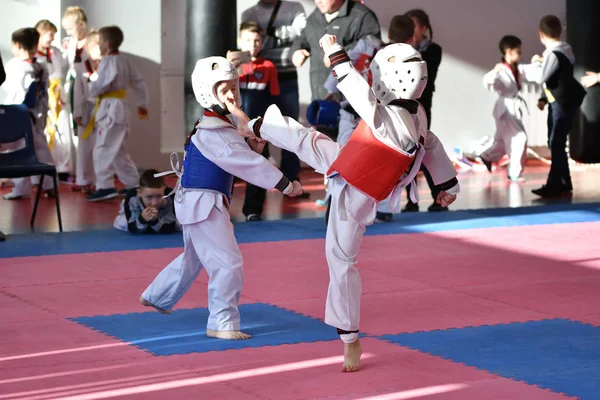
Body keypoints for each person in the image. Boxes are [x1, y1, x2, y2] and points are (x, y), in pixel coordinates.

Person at [249, 35, 459, 371]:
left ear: (392, 81)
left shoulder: (389, 119)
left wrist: (335, 53)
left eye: (377, 76)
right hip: (348, 164)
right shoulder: (415, 112)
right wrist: (447, 184)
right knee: (310, 140)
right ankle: (259, 125)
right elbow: (431, 145)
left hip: (356, 194)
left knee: (341, 260)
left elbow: (358, 93)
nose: (374, 83)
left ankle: (350, 338)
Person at [140, 56, 303, 340]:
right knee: (228, 263)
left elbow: (243, 154)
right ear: (206, 91)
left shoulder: (218, 125)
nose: (230, 94)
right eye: (222, 89)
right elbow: (247, 165)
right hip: (203, 205)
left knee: (193, 258)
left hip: (197, 203)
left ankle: (157, 295)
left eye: (233, 87)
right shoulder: (215, 131)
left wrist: (252, 142)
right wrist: (285, 184)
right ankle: (222, 322)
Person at [241, 0, 307, 190]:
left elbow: (301, 30)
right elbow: (246, 38)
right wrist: (285, 31)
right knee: (257, 129)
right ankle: (261, 182)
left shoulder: (295, 8)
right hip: (257, 78)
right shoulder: (249, 13)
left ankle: (292, 180)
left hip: (286, 75)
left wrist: (271, 32)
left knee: (290, 128)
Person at [84, 25, 149, 202]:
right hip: (120, 107)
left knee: (103, 148)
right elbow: (139, 81)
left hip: (111, 109)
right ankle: (133, 184)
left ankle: (104, 186)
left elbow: (101, 85)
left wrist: (91, 84)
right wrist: (143, 102)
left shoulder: (108, 61)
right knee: (118, 151)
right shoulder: (124, 60)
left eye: (99, 42)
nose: (98, 46)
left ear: (106, 43)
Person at [228, 21, 280, 221]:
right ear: (240, 40)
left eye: (257, 40)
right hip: (233, 126)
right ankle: (222, 206)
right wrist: (231, 69)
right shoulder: (229, 65)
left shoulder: (268, 66)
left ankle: (253, 210)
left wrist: (268, 125)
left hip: (257, 127)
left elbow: (273, 97)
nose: (253, 44)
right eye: (248, 40)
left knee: (259, 165)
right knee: (228, 166)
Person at [531, 15, 586, 198]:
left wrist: (536, 63)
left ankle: (555, 184)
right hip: (558, 101)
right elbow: (557, 79)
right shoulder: (564, 49)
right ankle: (563, 181)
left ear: (541, 34)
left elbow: (541, 77)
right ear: (560, 31)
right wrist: (544, 99)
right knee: (556, 142)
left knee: (556, 142)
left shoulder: (554, 53)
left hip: (562, 103)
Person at [401, 9, 446, 213]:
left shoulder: (433, 50)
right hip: (403, 105)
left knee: (423, 150)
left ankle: (439, 195)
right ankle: (412, 200)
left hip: (422, 107)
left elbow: (423, 71)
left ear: (424, 28)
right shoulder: (402, 50)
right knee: (407, 154)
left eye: (414, 25)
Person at [2, 28, 55, 200]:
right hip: (36, 114)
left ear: (17, 45)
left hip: (20, 114)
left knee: (18, 150)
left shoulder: (16, 66)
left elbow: (18, 93)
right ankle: (49, 184)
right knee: (40, 148)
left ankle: (21, 187)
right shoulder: (41, 65)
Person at [291, 0, 380, 101]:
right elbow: (302, 40)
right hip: (319, 98)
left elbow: (372, 45)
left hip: (349, 103)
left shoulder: (362, 15)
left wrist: (337, 54)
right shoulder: (315, 16)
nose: (317, 2)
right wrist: (296, 51)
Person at [479, 35, 540, 182]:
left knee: (501, 142)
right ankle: (514, 172)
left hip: (512, 109)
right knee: (519, 139)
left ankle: (487, 157)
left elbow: (533, 72)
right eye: (518, 52)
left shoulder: (518, 68)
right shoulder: (500, 70)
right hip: (505, 110)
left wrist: (538, 62)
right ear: (509, 52)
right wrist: (494, 72)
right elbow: (487, 82)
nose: (520, 55)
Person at [62, 6, 95, 192]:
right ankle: (83, 178)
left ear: (81, 24)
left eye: (71, 28)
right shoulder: (70, 44)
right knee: (80, 138)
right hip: (76, 92)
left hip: (91, 93)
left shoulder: (92, 42)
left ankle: (93, 179)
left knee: (93, 141)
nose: (68, 33)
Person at [113, 169, 179, 233]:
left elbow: (171, 227)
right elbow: (132, 228)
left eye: (159, 196)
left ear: (164, 189)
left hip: (162, 217)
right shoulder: (131, 197)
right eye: (149, 197)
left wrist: (155, 221)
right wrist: (142, 219)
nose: (154, 202)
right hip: (136, 213)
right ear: (139, 193)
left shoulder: (170, 196)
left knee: (180, 224)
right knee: (123, 222)